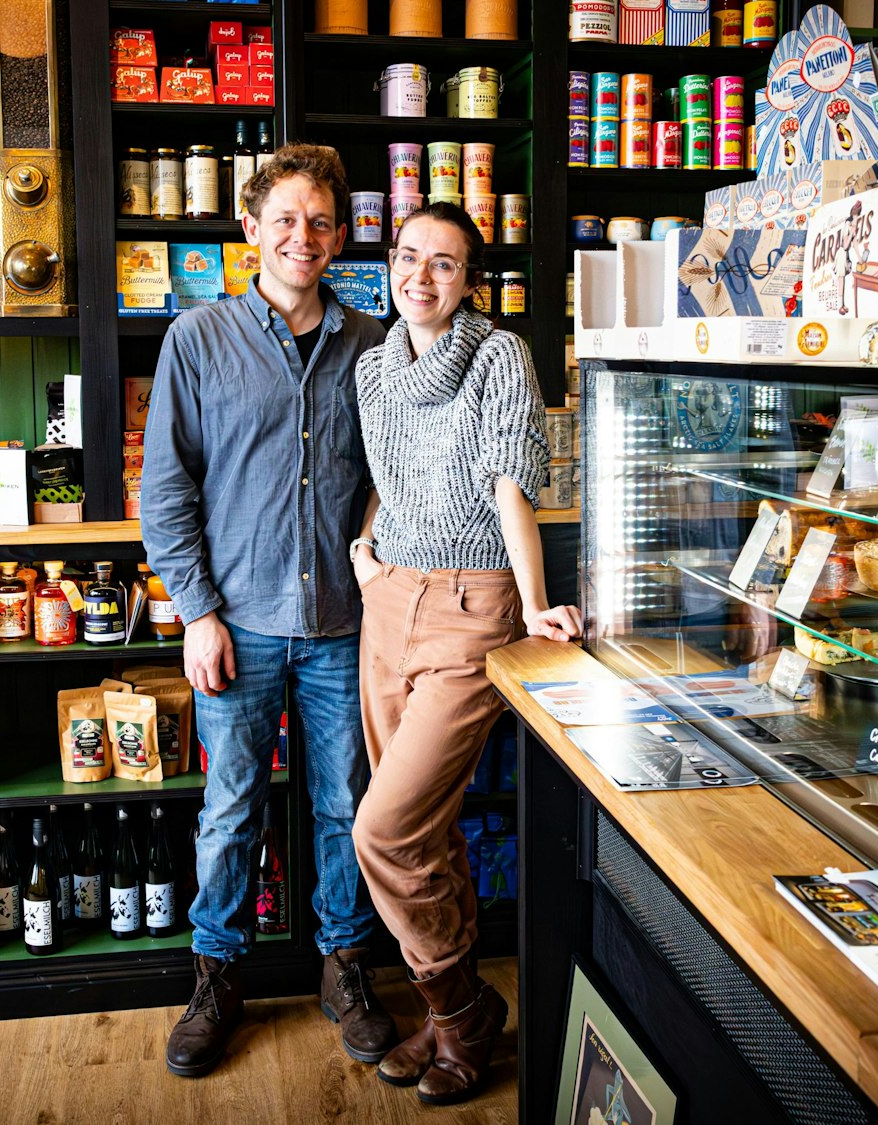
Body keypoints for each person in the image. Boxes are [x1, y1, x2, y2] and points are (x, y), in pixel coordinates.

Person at [141, 144, 396, 1078]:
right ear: (248, 229)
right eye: (285, 219)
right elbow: (165, 493)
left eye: (321, 222)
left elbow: (394, 475)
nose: (303, 236)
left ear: (340, 236)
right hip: (238, 622)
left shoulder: (375, 345)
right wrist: (197, 612)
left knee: (348, 805)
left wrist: (379, 547)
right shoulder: (197, 339)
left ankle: (344, 966)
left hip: (343, 623)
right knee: (231, 807)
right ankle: (216, 975)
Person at [348, 202, 582, 1105]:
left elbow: (509, 482)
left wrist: (531, 606)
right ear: (390, 265)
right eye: (410, 257)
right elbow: (384, 478)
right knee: (427, 832)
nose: (422, 276)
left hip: (473, 603)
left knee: (386, 827)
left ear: (469, 280)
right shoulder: (373, 367)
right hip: (390, 599)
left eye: (445, 264)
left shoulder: (498, 354)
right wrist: (365, 552)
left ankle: (460, 1009)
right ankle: (458, 1019)